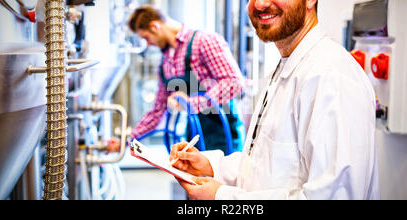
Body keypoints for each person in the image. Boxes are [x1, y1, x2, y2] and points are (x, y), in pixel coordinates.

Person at [170, 0, 380, 200]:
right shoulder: (283, 69)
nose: (260, 4)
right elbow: (265, 165)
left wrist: (223, 197)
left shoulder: (332, 76)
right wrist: (210, 165)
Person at [128, 5, 245, 154]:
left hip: (224, 136)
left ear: (155, 26)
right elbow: (158, 110)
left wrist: (190, 103)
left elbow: (234, 83)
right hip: (195, 135)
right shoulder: (166, 60)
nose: (148, 44)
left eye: (146, 38)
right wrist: (129, 141)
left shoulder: (203, 41)